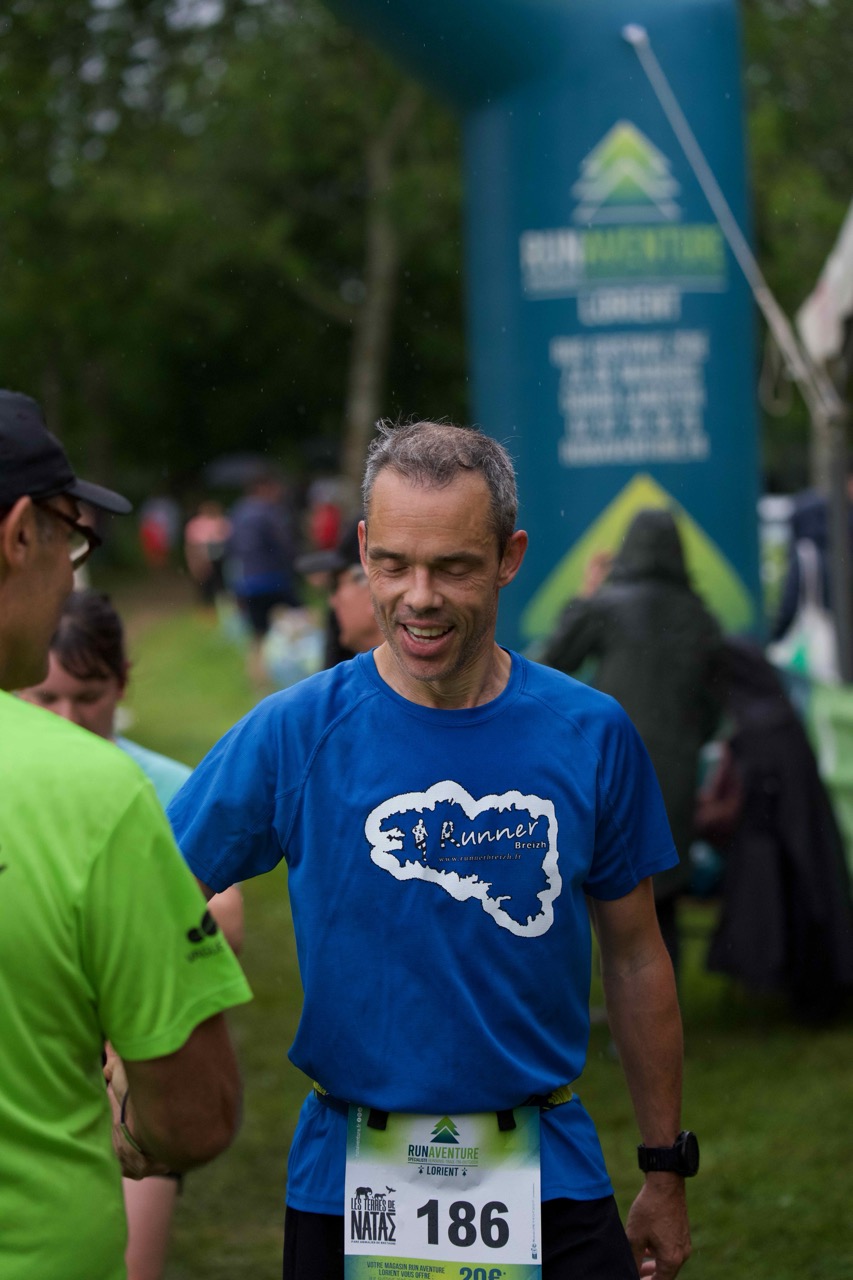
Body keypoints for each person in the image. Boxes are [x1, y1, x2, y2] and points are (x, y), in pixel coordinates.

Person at [169, 421, 694, 1280]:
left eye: (452, 567)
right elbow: (153, 895)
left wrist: (664, 1167)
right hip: (349, 1181)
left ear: (508, 558)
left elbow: (636, 957)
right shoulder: (294, 731)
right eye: (393, 565)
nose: (419, 597)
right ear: (363, 550)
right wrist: (142, 1062)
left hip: (547, 1174)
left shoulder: (590, 733)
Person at [0, 389, 252, 1280]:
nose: (71, 576)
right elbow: (195, 1117)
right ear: (17, 535)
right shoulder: (95, 791)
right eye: (71, 540)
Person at [541, 509, 725, 974]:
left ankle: (597, 999)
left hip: (611, 764)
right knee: (661, 893)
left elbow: (553, 663)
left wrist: (585, 595)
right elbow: (712, 709)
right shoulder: (701, 617)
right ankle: (667, 1002)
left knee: (602, 887)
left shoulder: (606, 606)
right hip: (676, 770)